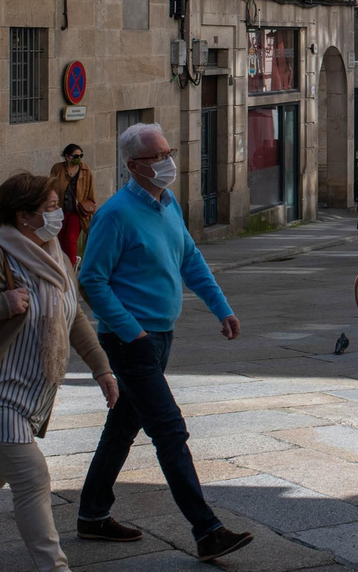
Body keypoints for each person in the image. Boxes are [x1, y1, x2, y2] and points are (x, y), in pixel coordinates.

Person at [75, 123, 253, 562]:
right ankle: (206, 529)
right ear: (134, 165)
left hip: (160, 336)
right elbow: (91, 280)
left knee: (122, 427)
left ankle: (92, 516)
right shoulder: (114, 214)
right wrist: (129, 329)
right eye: (158, 156)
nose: (169, 162)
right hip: (129, 340)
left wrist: (222, 308)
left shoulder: (167, 203)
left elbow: (191, 259)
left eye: (168, 151)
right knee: (169, 430)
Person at [0, 172, 118, 572]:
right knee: (32, 479)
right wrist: (0, 305)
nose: (58, 215)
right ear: (23, 216)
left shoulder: (56, 256)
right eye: (50, 208)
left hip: (33, 394)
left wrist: (102, 370)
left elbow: (74, 316)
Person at [45, 144, 97, 266]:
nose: (79, 158)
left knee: (70, 239)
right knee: (60, 240)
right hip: (61, 210)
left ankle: (71, 267)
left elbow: (91, 192)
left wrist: (91, 210)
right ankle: (61, 265)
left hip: (77, 212)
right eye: (76, 156)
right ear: (67, 157)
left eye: (81, 155)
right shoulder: (57, 169)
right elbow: (51, 188)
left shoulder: (86, 170)